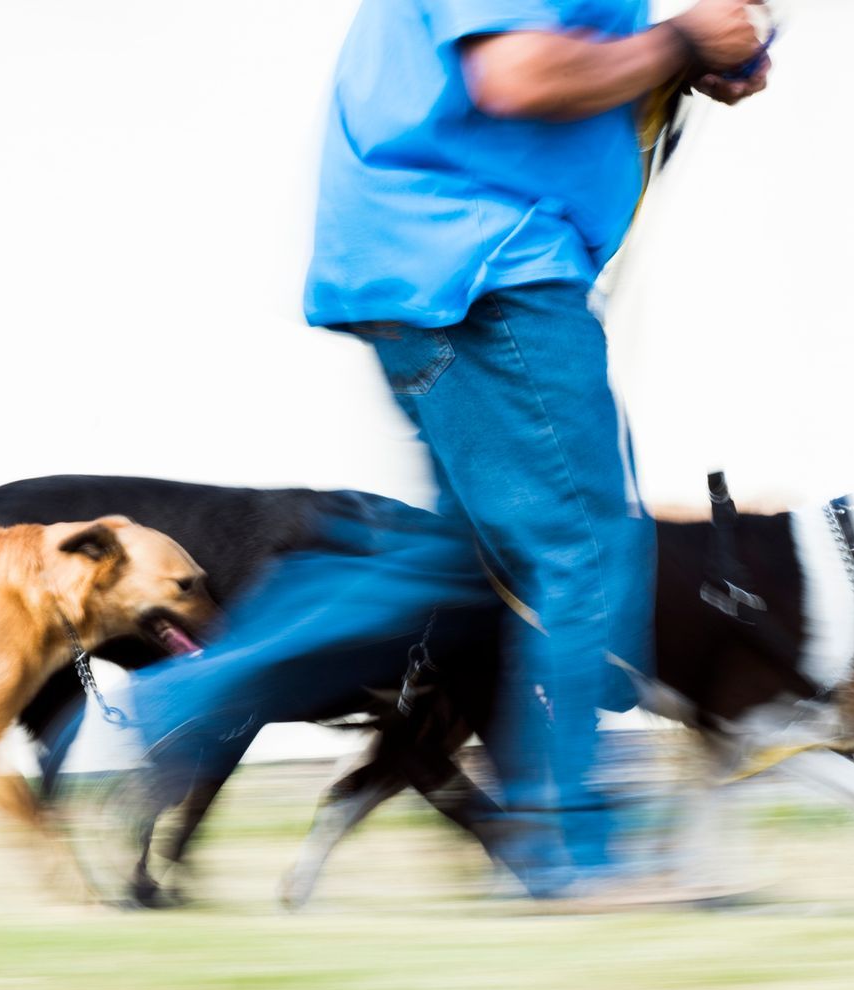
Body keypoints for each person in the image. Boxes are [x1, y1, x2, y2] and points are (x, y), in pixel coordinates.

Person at [120, 0, 772, 901]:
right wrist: (682, 41)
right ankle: (568, 848)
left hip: (443, 262)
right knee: (582, 548)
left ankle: (191, 698)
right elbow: (518, 73)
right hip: (487, 268)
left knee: (463, 562)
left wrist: (668, 63)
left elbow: (540, 62)